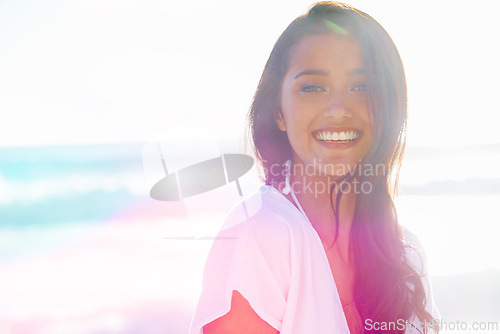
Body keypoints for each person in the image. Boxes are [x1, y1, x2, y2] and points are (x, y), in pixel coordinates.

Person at [190, 2, 440, 333]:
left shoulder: (406, 255)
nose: (338, 109)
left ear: (389, 107)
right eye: (312, 87)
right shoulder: (260, 233)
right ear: (279, 111)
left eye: (361, 87)